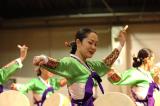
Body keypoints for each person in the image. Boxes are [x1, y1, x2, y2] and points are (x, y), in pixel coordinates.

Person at [32, 27, 127, 106]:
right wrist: (44, 59)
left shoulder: (90, 65)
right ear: (78, 43)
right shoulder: (71, 62)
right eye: (90, 42)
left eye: (96, 44)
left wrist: (121, 45)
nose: (94, 47)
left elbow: (106, 63)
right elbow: (59, 64)